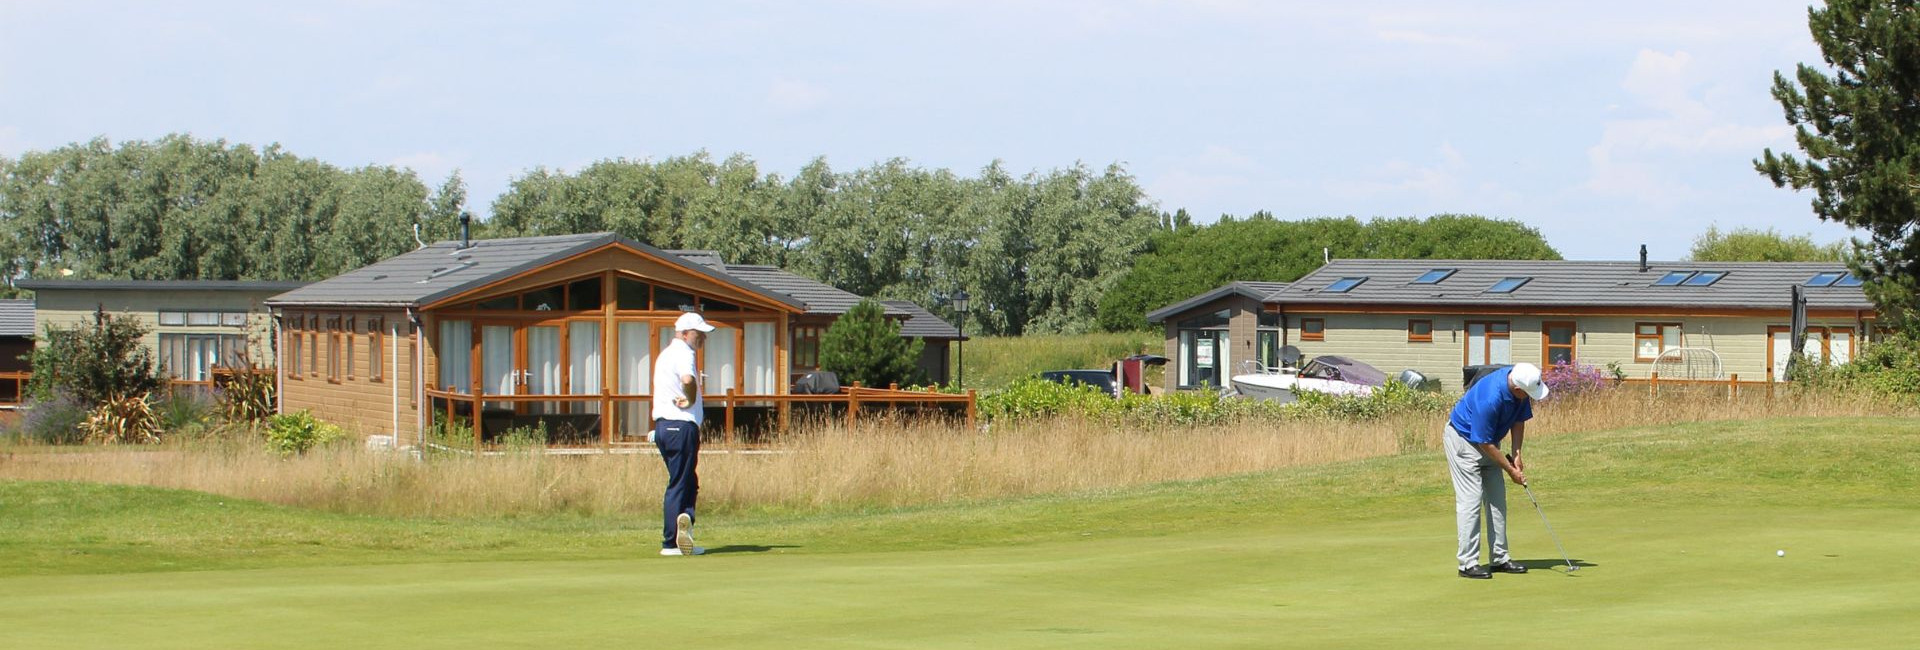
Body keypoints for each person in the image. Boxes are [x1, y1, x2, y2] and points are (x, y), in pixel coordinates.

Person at [1445, 362, 1548, 579]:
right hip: (1463, 442)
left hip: (1489, 441)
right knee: (1470, 501)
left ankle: (1500, 558)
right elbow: (1484, 442)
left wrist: (1517, 452)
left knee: (1497, 500)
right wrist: (1510, 470)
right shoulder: (1490, 398)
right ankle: (1467, 563)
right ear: (1518, 389)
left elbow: (1519, 420)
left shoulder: (1520, 381)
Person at [653, 311, 714, 556]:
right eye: (700, 335)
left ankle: (683, 531)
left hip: (664, 427)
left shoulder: (665, 354)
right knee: (680, 483)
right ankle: (670, 542)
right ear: (686, 333)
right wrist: (689, 400)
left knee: (688, 482)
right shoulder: (684, 353)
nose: (703, 340)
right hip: (681, 425)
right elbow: (688, 379)